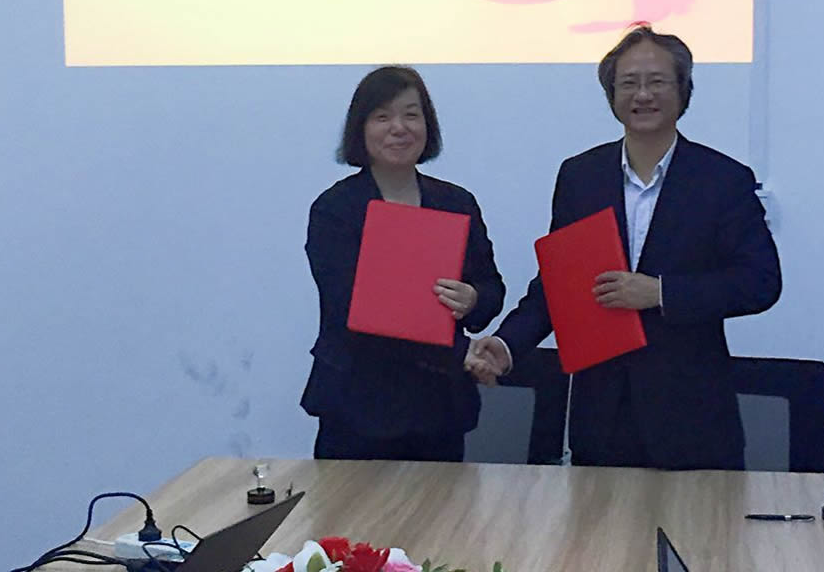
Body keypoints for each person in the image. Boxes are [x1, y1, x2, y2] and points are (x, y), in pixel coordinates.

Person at [466, 27, 781, 469]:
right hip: (602, 417)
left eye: (657, 81)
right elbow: (558, 285)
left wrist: (661, 292)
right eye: (629, 83)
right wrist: (507, 344)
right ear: (611, 94)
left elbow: (760, 282)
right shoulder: (581, 177)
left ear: (683, 91)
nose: (643, 94)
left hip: (693, 419)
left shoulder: (722, 179)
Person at [301, 66, 505, 462]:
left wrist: (473, 298)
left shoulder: (456, 203)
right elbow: (351, 311)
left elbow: (491, 288)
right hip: (358, 409)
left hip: (440, 411)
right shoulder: (336, 209)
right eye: (382, 116)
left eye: (411, 115)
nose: (399, 128)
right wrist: (456, 352)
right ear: (360, 128)